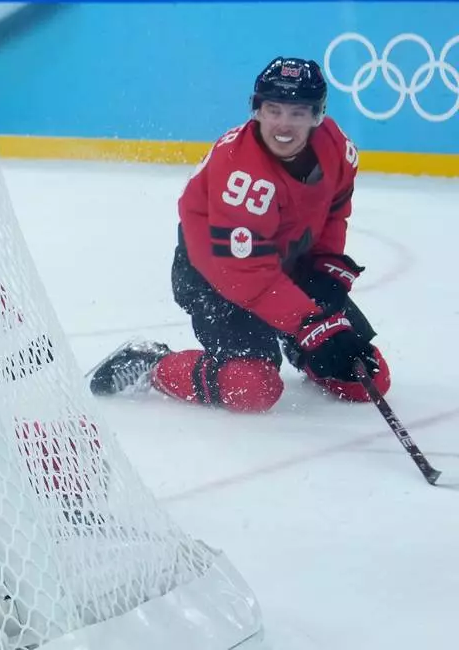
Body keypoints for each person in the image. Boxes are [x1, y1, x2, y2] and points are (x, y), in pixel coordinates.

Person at [87, 57, 391, 413]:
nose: (283, 124)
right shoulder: (240, 176)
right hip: (217, 276)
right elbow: (244, 275)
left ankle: (301, 350)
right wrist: (309, 324)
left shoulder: (336, 147)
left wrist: (325, 270)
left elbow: (334, 211)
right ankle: (153, 364)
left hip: (285, 261)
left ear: (317, 116)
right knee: (252, 387)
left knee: (368, 377)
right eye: (273, 110)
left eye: (297, 113)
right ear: (256, 110)